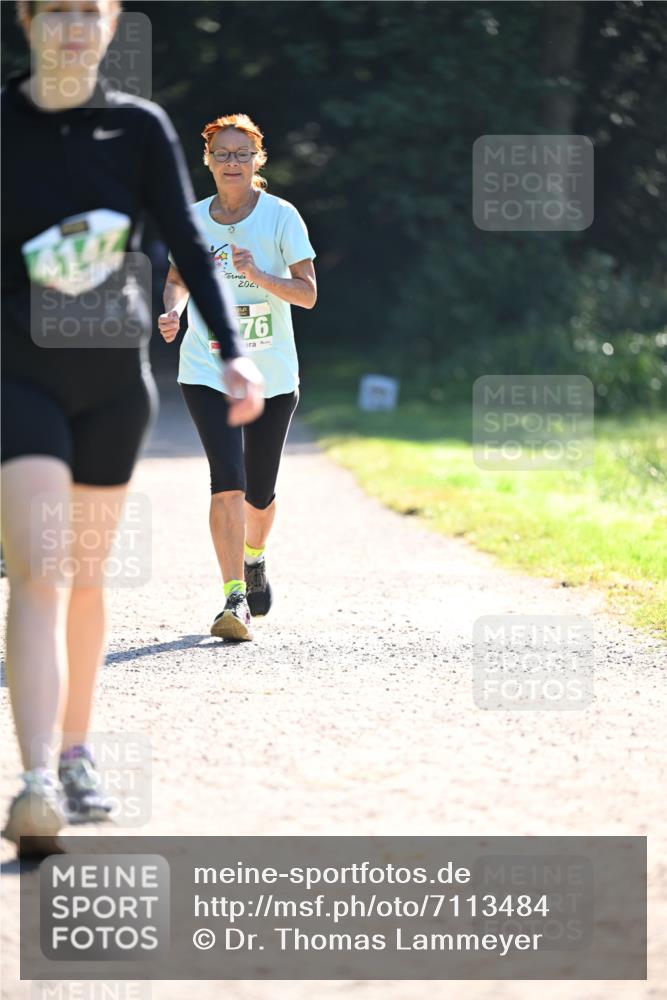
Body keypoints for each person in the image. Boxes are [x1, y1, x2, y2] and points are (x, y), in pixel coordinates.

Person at [1, 0, 263, 854]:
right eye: (59, 11)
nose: (76, 27)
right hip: (17, 374)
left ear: (111, 25)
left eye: (92, 11)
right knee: (39, 566)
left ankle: (77, 753)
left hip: (114, 385)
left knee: (84, 574)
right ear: (27, 20)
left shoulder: (139, 127)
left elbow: (188, 241)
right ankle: (35, 780)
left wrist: (230, 350)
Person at [159, 114, 316, 642]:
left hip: (271, 373)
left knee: (260, 495)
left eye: (241, 154)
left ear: (257, 161)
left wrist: (258, 276)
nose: (232, 162)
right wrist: (175, 312)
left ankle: (255, 556)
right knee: (227, 482)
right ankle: (233, 599)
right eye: (222, 153)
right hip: (207, 366)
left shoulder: (281, 217)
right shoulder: (191, 218)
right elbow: (178, 280)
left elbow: (308, 293)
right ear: (207, 160)